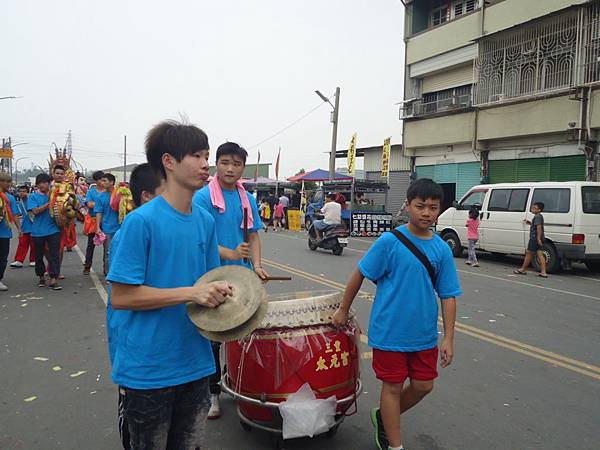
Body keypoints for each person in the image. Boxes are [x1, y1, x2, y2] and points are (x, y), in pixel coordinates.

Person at [108, 120, 232, 449]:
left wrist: (228, 297)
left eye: (207, 155)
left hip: (195, 364)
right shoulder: (141, 222)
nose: (207, 164)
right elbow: (121, 296)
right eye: (196, 155)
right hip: (148, 369)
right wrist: (191, 293)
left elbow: (210, 284)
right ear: (169, 161)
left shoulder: (205, 221)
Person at [332, 178, 461, 450]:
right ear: (408, 206)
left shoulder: (440, 249)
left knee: (424, 386)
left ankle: (383, 415)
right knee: (391, 387)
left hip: (424, 335)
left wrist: (448, 337)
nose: (426, 213)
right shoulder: (390, 242)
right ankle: (395, 445)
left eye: (433, 208)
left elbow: (448, 295)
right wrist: (343, 309)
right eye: (420, 206)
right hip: (389, 331)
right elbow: (360, 274)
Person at [193, 141, 268, 419]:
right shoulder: (202, 198)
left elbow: (253, 235)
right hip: (210, 276)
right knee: (213, 338)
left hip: (242, 278)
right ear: (216, 164)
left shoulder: (245, 198)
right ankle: (212, 393)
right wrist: (229, 252)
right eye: (225, 162)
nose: (230, 168)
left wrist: (257, 265)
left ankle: (235, 383)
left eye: (236, 164)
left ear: (242, 168)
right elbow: (198, 240)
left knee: (240, 336)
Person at [106, 163, 164, 450]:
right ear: (146, 196)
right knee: (139, 430)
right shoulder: (132, 229)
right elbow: (124, 297)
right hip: (139, 354)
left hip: (167, 353)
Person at [27, 173, 62, 290]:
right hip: (37, 231)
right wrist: (49, 203)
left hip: (53, 230)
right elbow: (35, 211)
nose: (42, 185)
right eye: (39, 183)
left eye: (44, 182)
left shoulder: (55, 195)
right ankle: (41, 276)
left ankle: (53, 278)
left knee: (54, 255)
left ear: (49, 183)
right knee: (38, 256)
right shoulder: (33, 197)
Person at [95, 173, 120, 277]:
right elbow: (99, 212)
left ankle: (118, 272)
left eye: (105, 181)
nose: (102, 183)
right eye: (102, 181)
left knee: (120, 251)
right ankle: (108, 273)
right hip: (107, 228)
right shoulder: (100, 196)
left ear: (112, 182)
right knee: (108, 252)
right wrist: (97, 227)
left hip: (120, 227)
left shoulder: (120, 194)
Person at [514, 201, 547, 278]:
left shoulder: (537, 217)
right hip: (539, 237)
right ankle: (543, 272)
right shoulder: (539, 216)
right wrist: (530, 223)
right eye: (532, 208)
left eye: (534, 208)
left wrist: (538, 239)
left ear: (539, 210)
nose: (532, 209)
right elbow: (536, 226)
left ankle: (523, 269)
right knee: (540, 254)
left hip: (534, 238)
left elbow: (538, 228)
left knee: (529, 253)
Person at [0, 173, 20, 290]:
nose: (8, 184)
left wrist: (19, 228)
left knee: (3, 258)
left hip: (4, 233)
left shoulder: (10, 198)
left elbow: (15, 215)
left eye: (9, 181)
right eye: (5, 181)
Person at [83, 171, 105, 275]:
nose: (103, 181)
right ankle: (87, 265)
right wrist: (101, 205)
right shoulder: (91, 191)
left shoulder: (109, 191)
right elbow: (89, 204)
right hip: (93, 220)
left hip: (106, 221)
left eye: (104, 179)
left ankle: (107, 268)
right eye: (101, 179)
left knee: (108, 246)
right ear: (96, 181)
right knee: (91, 245)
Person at [11, 185, 36, 268]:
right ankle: (19, 260)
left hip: (33, 226)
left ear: (28, 192)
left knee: (34, 244)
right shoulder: (18, 203)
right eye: (20, 191)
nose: (22, 193)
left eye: (24, 191)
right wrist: (19, 228)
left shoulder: (32, 200)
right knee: (22, 243)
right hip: (23, 227)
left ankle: (33, 260)